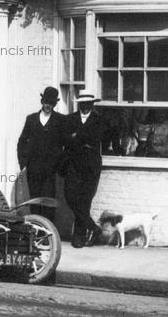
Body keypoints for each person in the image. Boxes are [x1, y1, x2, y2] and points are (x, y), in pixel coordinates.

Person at [63, 91, 110, 248]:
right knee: (70, 196)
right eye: (82, 103)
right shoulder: (70, 119)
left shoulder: (99, 120)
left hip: (91, 166)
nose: (85, 106)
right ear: (79, 104)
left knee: (84, 201)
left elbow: (99, 137)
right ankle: (94, 228)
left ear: (92, 104)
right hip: (73, 164)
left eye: (88, 103)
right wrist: (80, 139)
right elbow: (64, 139)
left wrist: (76, 136)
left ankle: (79, 237)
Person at [16, 87, 67, 223]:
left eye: (51, 103)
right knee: (34, 200)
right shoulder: (31, 119)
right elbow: (22, 141)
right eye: (46, 102)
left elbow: (65, 144)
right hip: (33, 168)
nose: (48, 106)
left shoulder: (60, 120)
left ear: (54, 104)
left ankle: (47, 231)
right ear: (42, 101)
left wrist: (59, 165)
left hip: (50, 170)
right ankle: (35, 229)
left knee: (48, 201)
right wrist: (23, 164)